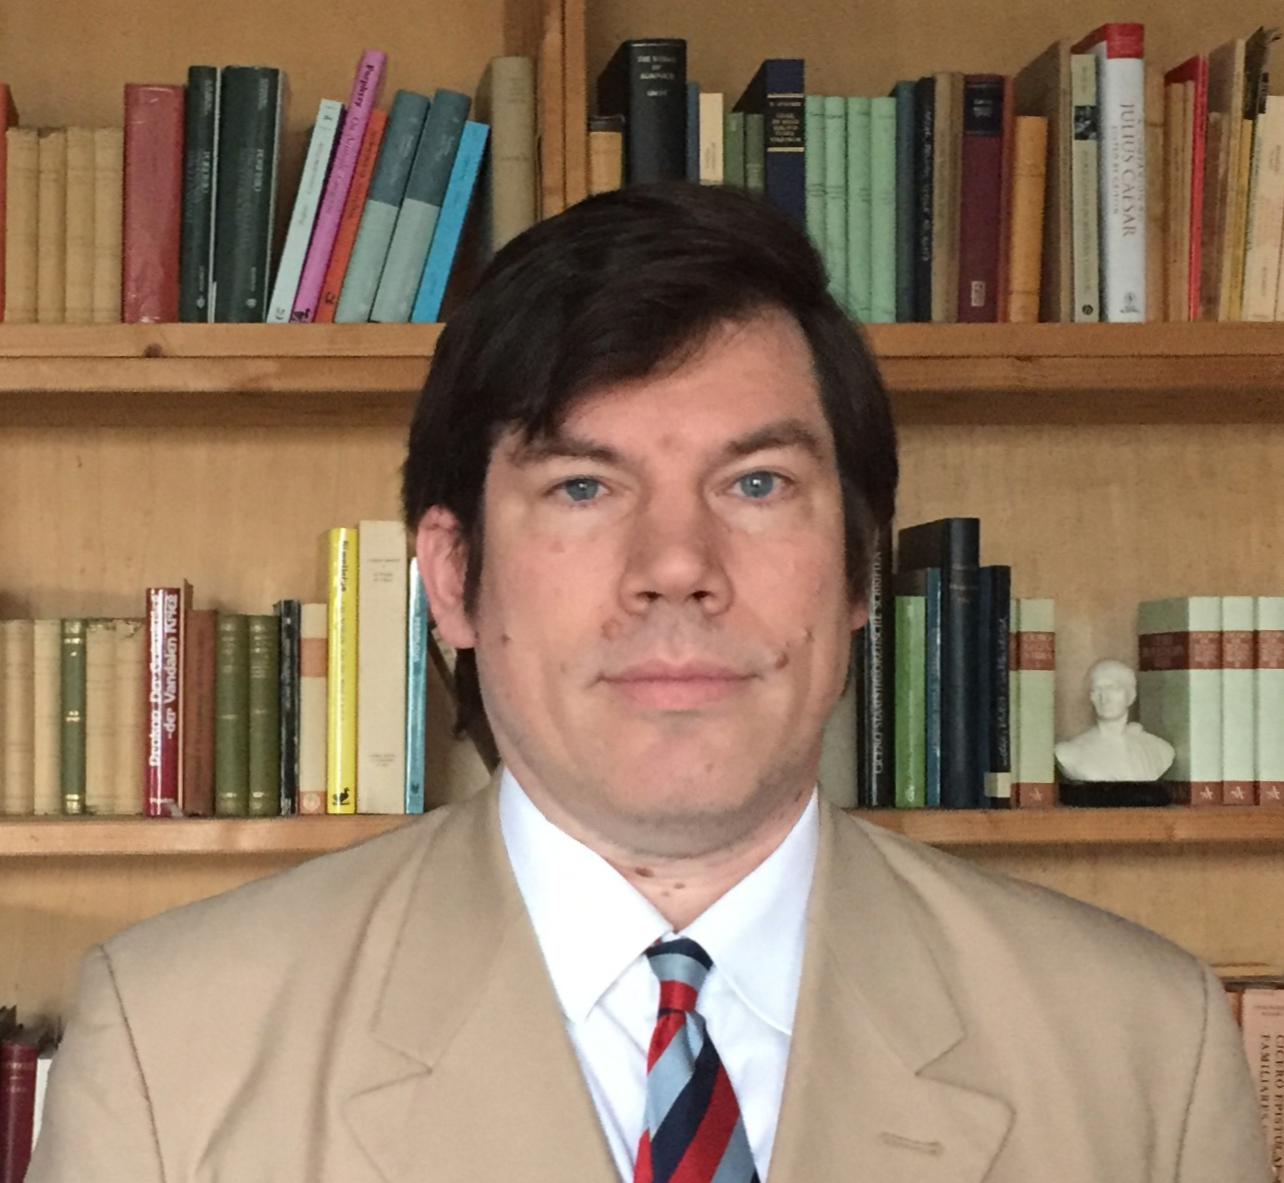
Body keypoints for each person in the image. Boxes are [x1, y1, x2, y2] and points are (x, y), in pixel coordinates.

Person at [29, 184, 1267, 1183]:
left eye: (757, 484)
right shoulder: (173, 1047)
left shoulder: (1142, 1050)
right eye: (583, 487)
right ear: (452, 579)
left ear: (858, 570)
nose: (677, 566)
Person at [1055, 658, 1176, 783]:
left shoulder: (1160, 749)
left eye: (1113, 688)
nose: (1104, 698)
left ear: (1130, 695)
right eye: (1097, 689)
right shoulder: (1069, 752)